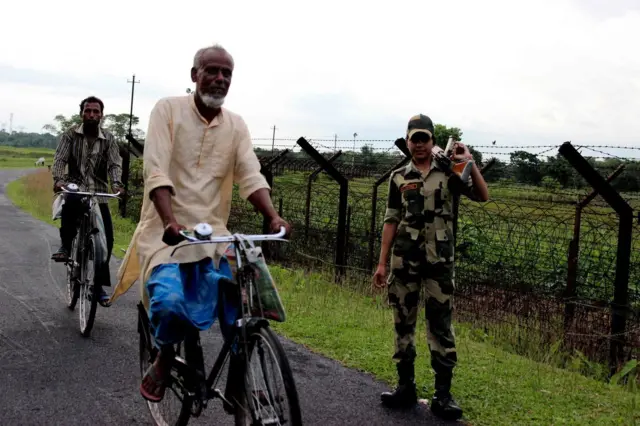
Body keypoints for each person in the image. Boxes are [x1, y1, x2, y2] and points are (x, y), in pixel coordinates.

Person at [108, 44, 291, 403]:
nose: (220, 79)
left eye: (227, 73)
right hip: (167, 234)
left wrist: (272, 215)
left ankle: (240, 372)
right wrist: (170, 220)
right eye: (212, 70)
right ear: (195, 75)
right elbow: (155, 169)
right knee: (171, 302)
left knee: (249, 299)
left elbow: (250, 174)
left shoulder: (236, 125)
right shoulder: (168, 110)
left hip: (216, 235)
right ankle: (163, 354)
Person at [372, 114, 488, 421]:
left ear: (433, 141)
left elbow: (482, 195)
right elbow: (390, 220)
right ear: (407, 141)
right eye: (414, 139)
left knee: (440, 325)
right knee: (403, 323)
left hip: (439, 263)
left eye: (425, 138)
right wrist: (382, 263)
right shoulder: (399, 176)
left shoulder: (449, 173)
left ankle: (443, 395)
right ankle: (405, 387)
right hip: (404, 260)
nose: (419, 144)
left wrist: (469, 161)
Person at [51, 95, 124, 307]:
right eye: (88, 111)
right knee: (71, 201)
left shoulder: (108, 139)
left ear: (102, 115)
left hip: (99, 192)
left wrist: (117, 183)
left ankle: (98, 284)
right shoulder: (70, 135)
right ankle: (66, 246)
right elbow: (59, 160)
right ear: (81, 113)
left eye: (96, 111)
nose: (91, 115)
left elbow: (114, 164)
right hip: (75, 187)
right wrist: (59, 180)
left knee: (106, 239)